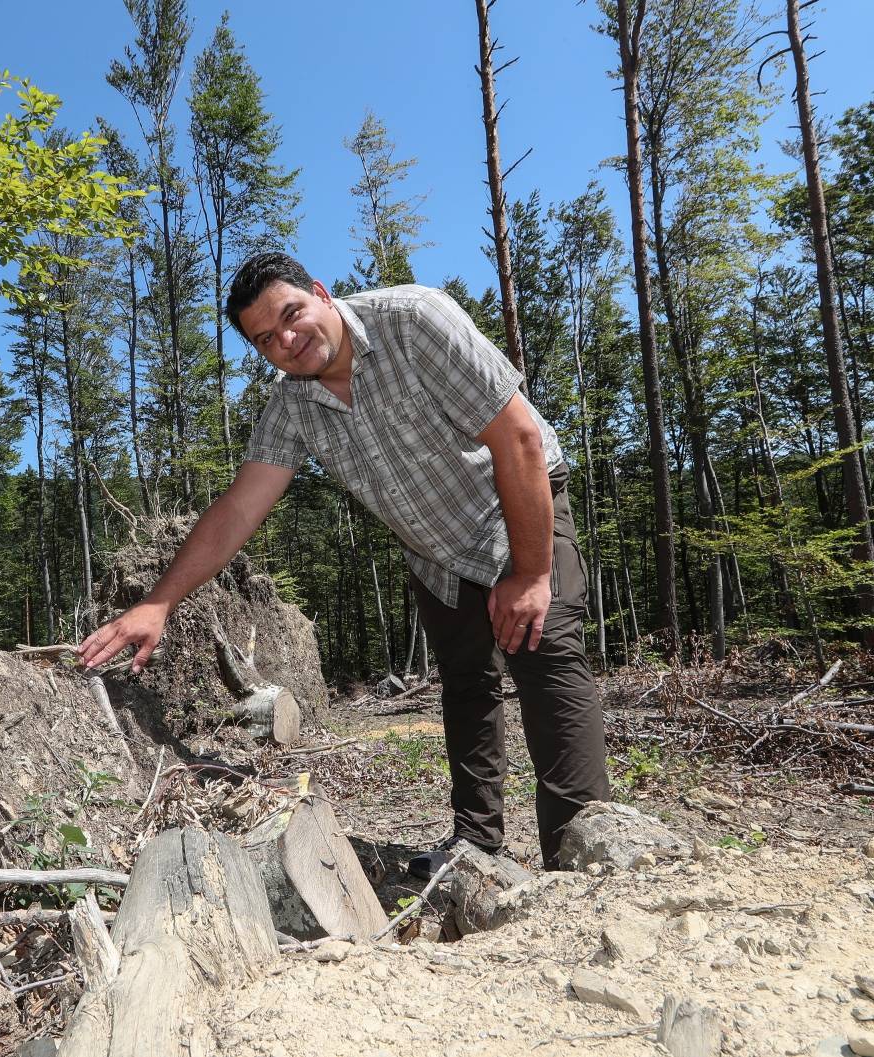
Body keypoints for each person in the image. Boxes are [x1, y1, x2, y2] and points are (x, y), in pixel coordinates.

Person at [76, 251, 609, 873]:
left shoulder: (414, 320)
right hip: (432, 548)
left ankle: (585, 863)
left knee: (548, 665)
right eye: (265, 339)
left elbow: (518, 439)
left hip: (515, 503)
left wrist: (532, 573)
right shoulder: (290, 406)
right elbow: (239, 509)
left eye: (292, 314)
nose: (288, 341)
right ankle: (477, 849)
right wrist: (158, 602)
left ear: (322, 294)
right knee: (466, 686)